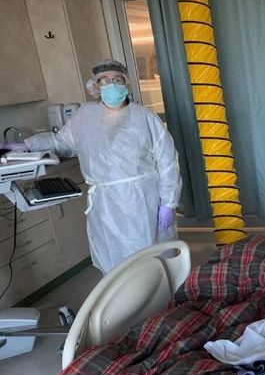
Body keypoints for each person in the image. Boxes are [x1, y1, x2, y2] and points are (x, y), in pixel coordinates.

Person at [1, 60, 182, 274]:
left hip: (142, 201)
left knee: (149, 258)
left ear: (126, 84)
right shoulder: (86, 116)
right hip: (105, 204)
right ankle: (121, 294)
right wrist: (27, 145)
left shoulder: (145, 118)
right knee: (114, 259)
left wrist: (168, 202)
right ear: (96, 86)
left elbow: (168, 161)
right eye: (105, 81)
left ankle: (159, 293)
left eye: (117, 80)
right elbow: (60, 141)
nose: (111, 85)